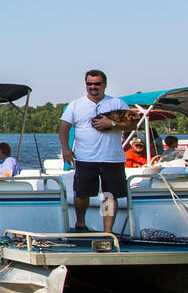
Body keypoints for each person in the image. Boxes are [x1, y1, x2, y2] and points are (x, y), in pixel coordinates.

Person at [57, 69, 136, 234]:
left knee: (109, 195)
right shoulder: (76, 105)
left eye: (97, 84)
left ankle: (108, 231)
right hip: (85, 157)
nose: (93, 87)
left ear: (104, 85)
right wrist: (66, 149)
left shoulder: (117, 104)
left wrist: (111, 124)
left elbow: (132, 125)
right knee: (81, 194)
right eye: (90, 84)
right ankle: (80, 223)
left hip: (112, 158)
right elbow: (64, 127)